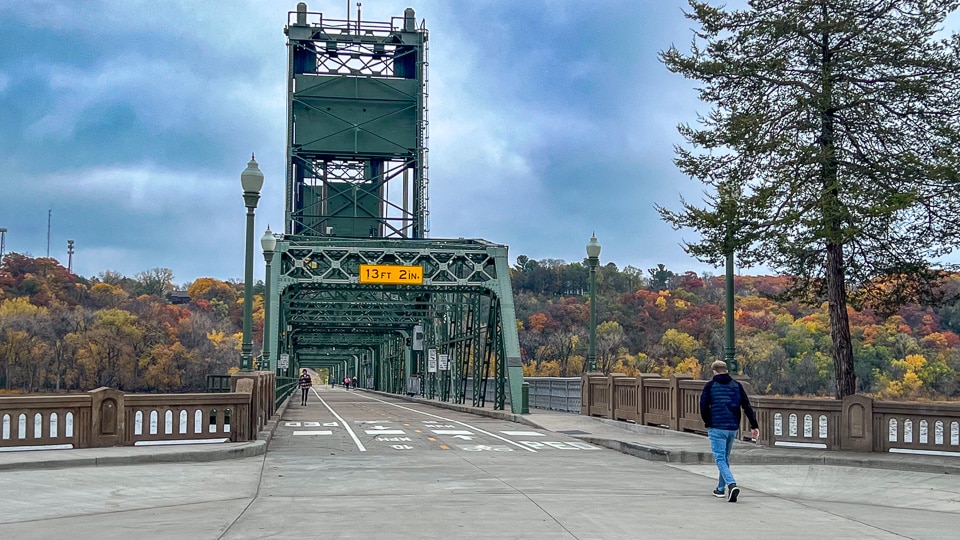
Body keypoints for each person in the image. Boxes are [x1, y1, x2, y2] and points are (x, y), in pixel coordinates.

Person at [699, 360, 759, 503]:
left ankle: (732, 484)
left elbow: (703, 406)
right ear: (726, 370)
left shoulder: (710, 386)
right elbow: (746, 406)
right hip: (732, 428)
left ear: (714, 371)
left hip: (717, 427)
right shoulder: (737, 386)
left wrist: (708, 423)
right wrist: (754, 425)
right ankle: (720, 489)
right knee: (725, 458)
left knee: (719, 458)